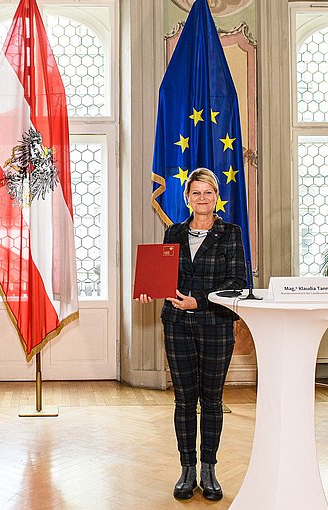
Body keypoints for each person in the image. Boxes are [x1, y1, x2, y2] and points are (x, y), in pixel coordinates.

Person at [136, 168, 246, 501]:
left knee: (211, 400)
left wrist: (199, 301)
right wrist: (150, 288)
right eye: (195, 192)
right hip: (177, 325)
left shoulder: (231, 233)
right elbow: (164, 275)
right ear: (186, 198)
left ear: (216, 197)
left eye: (208, 192)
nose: (202, 198)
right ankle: (187, 469)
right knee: (184, 400)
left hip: (216, 324)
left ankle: (209, 470)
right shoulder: (173, 232)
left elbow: (237, 282)